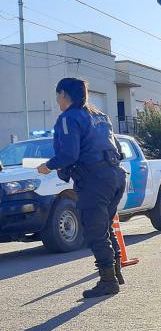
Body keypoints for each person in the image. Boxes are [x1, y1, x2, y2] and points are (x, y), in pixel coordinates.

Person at [37, 77, 127, 298]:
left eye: (58, 95)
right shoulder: (100, 116)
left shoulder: (69, 118)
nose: (57, 100)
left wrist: (48, 166)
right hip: (115, 175)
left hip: (94, 180)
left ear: (64, 95)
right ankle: (116, 273)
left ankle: (108, 281)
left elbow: (69, 154)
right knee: (105, 226)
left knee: (95, 231)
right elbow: (116, 147)